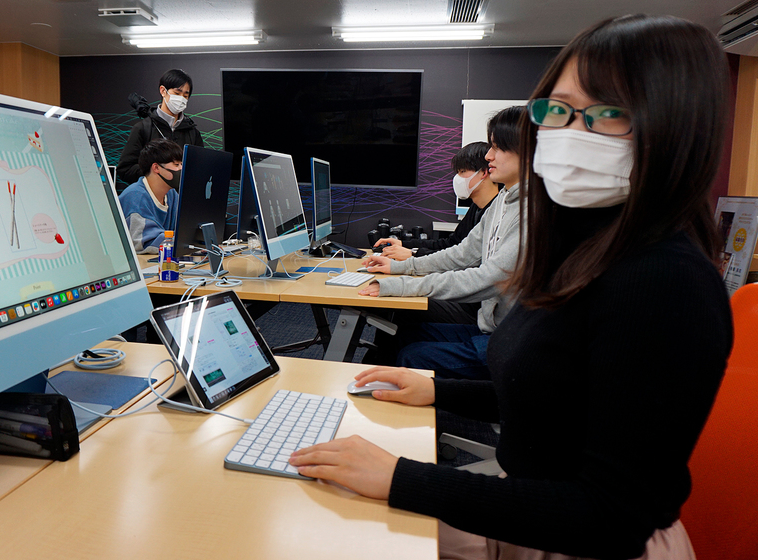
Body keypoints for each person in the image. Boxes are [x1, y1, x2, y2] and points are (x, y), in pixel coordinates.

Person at [290, 14, 733, 560]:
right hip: (532, 508)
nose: (569, 134)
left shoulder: (665, 283)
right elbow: (557, 395)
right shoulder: (583, 247)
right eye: (557, 110)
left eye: (607, 112)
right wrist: (439, 390)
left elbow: (610, 518)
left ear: (675, 128)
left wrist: (403, 478)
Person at [359, 106, 524, 379]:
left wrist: (402, 285)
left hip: (509, 342)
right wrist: (401, 268)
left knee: (412, 354)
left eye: (497, 147)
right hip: (490, 328)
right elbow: (461, 253)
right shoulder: (504, 200)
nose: (489, 156)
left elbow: (488, 278)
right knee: (402, 335)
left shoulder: (532, 212)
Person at [374, 142, 499, 261]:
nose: (457, 178)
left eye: (462, 171)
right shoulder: (475, 208)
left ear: (484, 172)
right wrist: (404, 244)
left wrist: (414, 254)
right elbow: (451, 244)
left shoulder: (498, 213)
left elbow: (465, 258)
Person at [116, 69, 203, 185]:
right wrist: (156, 173)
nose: (181, 98)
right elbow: (125, 169)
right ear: (163, 91)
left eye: (185, 95)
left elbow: (200, 170)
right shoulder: (143, 128)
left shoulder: (193, 133)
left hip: (181, 196)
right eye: (177, 93)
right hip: (151, 195)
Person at [118, 138, 183, 254]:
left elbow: (183, 229)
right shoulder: (135, 197)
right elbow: (143, 241)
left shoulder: (171, 194)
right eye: (176, 164)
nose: (181, 168)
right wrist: (185, 243)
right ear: (156, 168)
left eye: (182, 164)